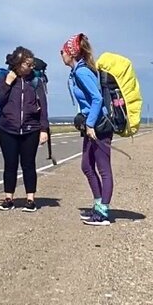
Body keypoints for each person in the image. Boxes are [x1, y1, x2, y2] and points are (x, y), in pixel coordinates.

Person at [62, 33, 112, 226]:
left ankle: (103, 212)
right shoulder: (77, 72)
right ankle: (98, 204)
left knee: (103, 169)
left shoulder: (82, 73)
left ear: (71, 53)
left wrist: (90, 124)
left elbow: (97, 99)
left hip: (99, 126)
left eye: (63, 51)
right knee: (86, 166)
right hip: (91, 125)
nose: (61, 55)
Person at [0, 46, 49, 212]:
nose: (31, 67)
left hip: (31, 128)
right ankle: (8, 198)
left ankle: (30, 199)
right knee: (10, 164)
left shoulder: (36, 81)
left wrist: (44, 129)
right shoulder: (5, 77)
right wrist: (8, 83)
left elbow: (43, 105)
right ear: (18, 64)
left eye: (32, 64)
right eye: (28, 64)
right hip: (7, 128)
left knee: (28, 164)